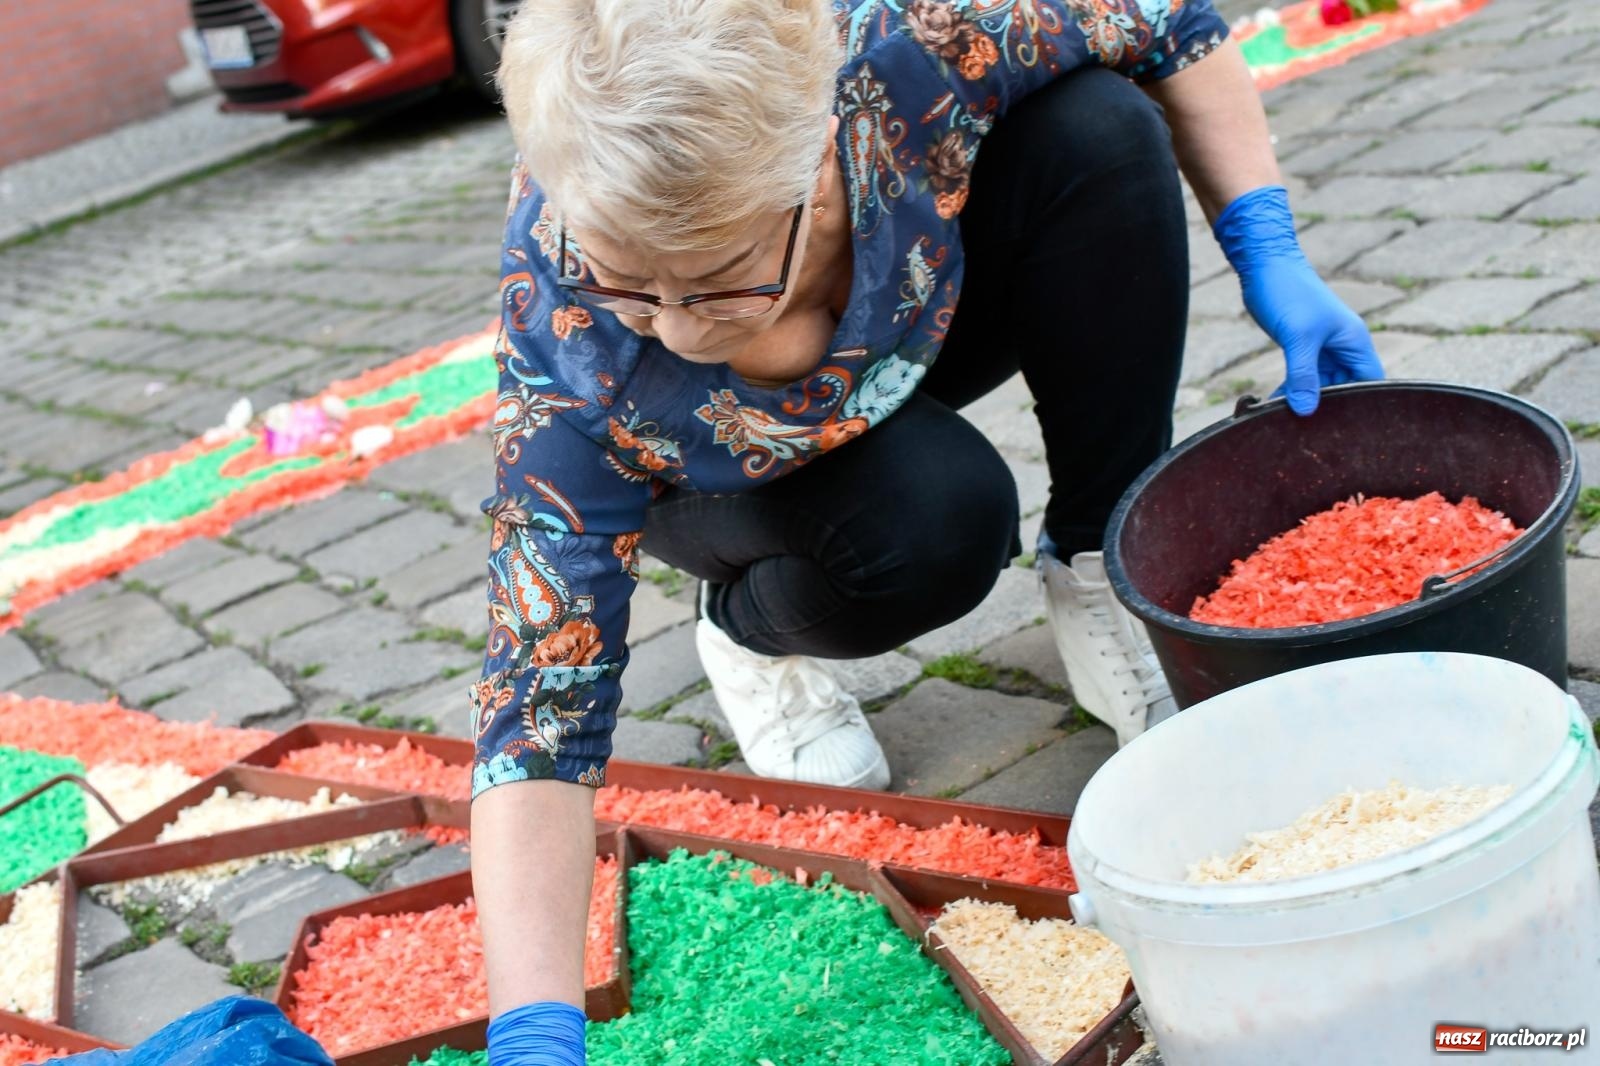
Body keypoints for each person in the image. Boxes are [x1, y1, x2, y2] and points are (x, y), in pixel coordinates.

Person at [470, 0, 1384, 1059]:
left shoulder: (911, 42)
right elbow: (537, 712)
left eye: (716, 279)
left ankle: (1100, 564)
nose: (674, 327)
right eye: (630, 283)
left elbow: (1171, 24)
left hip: (904, 319)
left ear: (817, 158)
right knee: (937, 526)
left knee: (1097, 127)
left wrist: (1266, 245)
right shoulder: (574, 333)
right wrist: (532, 1022)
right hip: (707, 468)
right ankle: (750, 628)